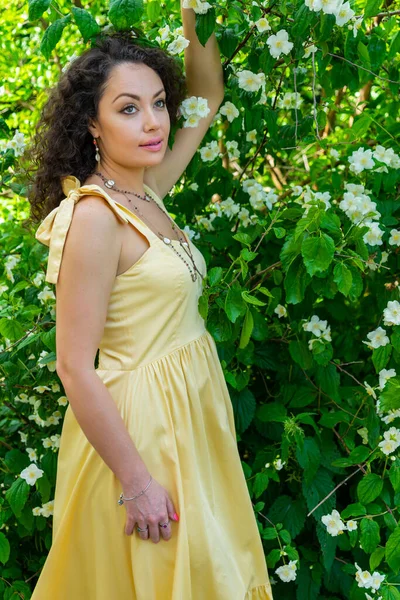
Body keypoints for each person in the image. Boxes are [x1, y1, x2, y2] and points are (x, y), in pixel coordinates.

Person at [28, 8, 274, 600]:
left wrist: (197, 11)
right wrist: (135, 479)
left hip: (188, 417)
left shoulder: (149, 190)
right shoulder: (93, 217)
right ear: (91, 124)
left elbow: (208, 93)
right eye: (128, 108)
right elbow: (73, 366)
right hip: (138, 434)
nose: (153, 122)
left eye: (159, 102)